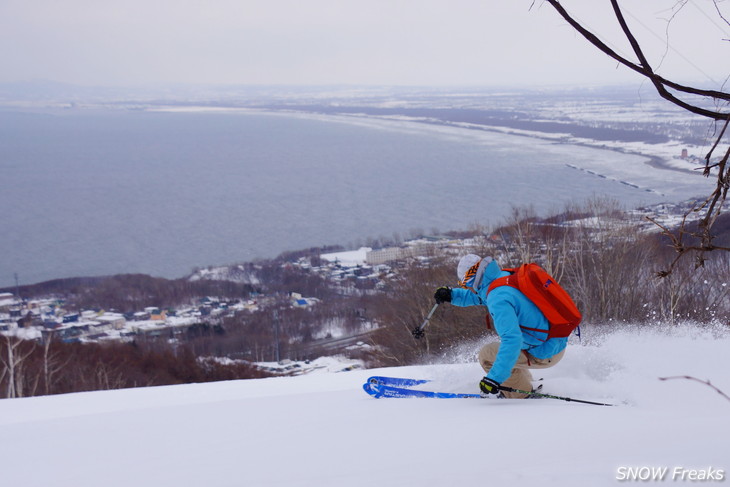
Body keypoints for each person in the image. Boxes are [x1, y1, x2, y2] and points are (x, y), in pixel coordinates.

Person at [433, 254, 568, 399]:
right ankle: (525, 382)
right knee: (505, 348)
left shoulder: (497, 298)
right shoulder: (504, 277)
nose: (468, 288)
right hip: (554, 341)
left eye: (465, 284)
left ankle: (522, 394)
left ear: (472, 278)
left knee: (487, 355)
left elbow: (512, 340)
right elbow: (481, 296)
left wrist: (494, 378)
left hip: (544, 353)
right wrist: (452, 295)